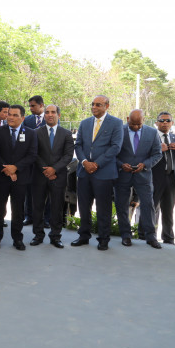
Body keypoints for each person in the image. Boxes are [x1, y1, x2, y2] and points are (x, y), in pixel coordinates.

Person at [71, 95, 124, 251]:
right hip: (84, 172)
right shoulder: (85, 123)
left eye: (98, 105)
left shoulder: (116, 123)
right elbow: (78, 145)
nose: (94, 107)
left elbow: (115, 147)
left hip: (104, 173)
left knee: (103, 209)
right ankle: (83, 236)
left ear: (107, 106)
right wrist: (84, 162)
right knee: (83, 207)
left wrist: (97, 164)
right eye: (93, 104)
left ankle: (103, 239)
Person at [0, 105, 37, 250]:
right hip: (1, 176)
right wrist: (7, 169)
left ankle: (17, 238)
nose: (10, 117)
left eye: (15, 115)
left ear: (22, 118)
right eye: (9, 114)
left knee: (18, 210)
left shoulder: (31, 133)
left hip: (20, 178)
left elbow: (32, 155)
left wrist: (15, 168)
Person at [113, 109, 162, 249]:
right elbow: (112, 153)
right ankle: (126, 235)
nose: (135, 127)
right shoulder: (118, 131)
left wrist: (145, 165)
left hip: (143, 175)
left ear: (143, 120)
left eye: (138, 124)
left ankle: (151, 237)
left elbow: (157, 154)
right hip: (122, 175)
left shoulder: (152, 133)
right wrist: (121, 164)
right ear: (127, 119)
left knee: (148, 205)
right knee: (121, 205)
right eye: (132, 124)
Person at [30, 105, 75, 248]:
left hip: (58, 176)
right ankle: (38, 235)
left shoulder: (66, 134)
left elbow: (68, 155)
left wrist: (54, 169)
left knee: (57, 207)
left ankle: (55, 236)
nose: (50, 115)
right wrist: (46, 169)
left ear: (59, 115)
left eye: (53, 112)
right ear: (44, 116)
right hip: (39, 176)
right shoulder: (36, 133)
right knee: (38, 207)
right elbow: (34, 153)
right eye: (47, 112)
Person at [152, 111, 175, 245]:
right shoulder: (151, 137)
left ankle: (168, 238)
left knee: (168, 210)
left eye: (168, 120)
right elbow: (142, 155)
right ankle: (148, 235)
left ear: (172, 123)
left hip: (172, 179)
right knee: (151, 208)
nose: (165, 123)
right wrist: (158, 149)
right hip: (155, 178)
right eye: (162, 120)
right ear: (156, 123)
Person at [23, 95, 46, 226]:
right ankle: (29, 216)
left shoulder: (50, 118)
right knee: (29, 191)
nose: (30, 108)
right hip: (30, 161)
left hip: (45, 160)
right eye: (30, 106)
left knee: (45, 192)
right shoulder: (27, 120)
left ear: (41, 105)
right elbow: (23, 137)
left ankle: (45, 218)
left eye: (33, 106)